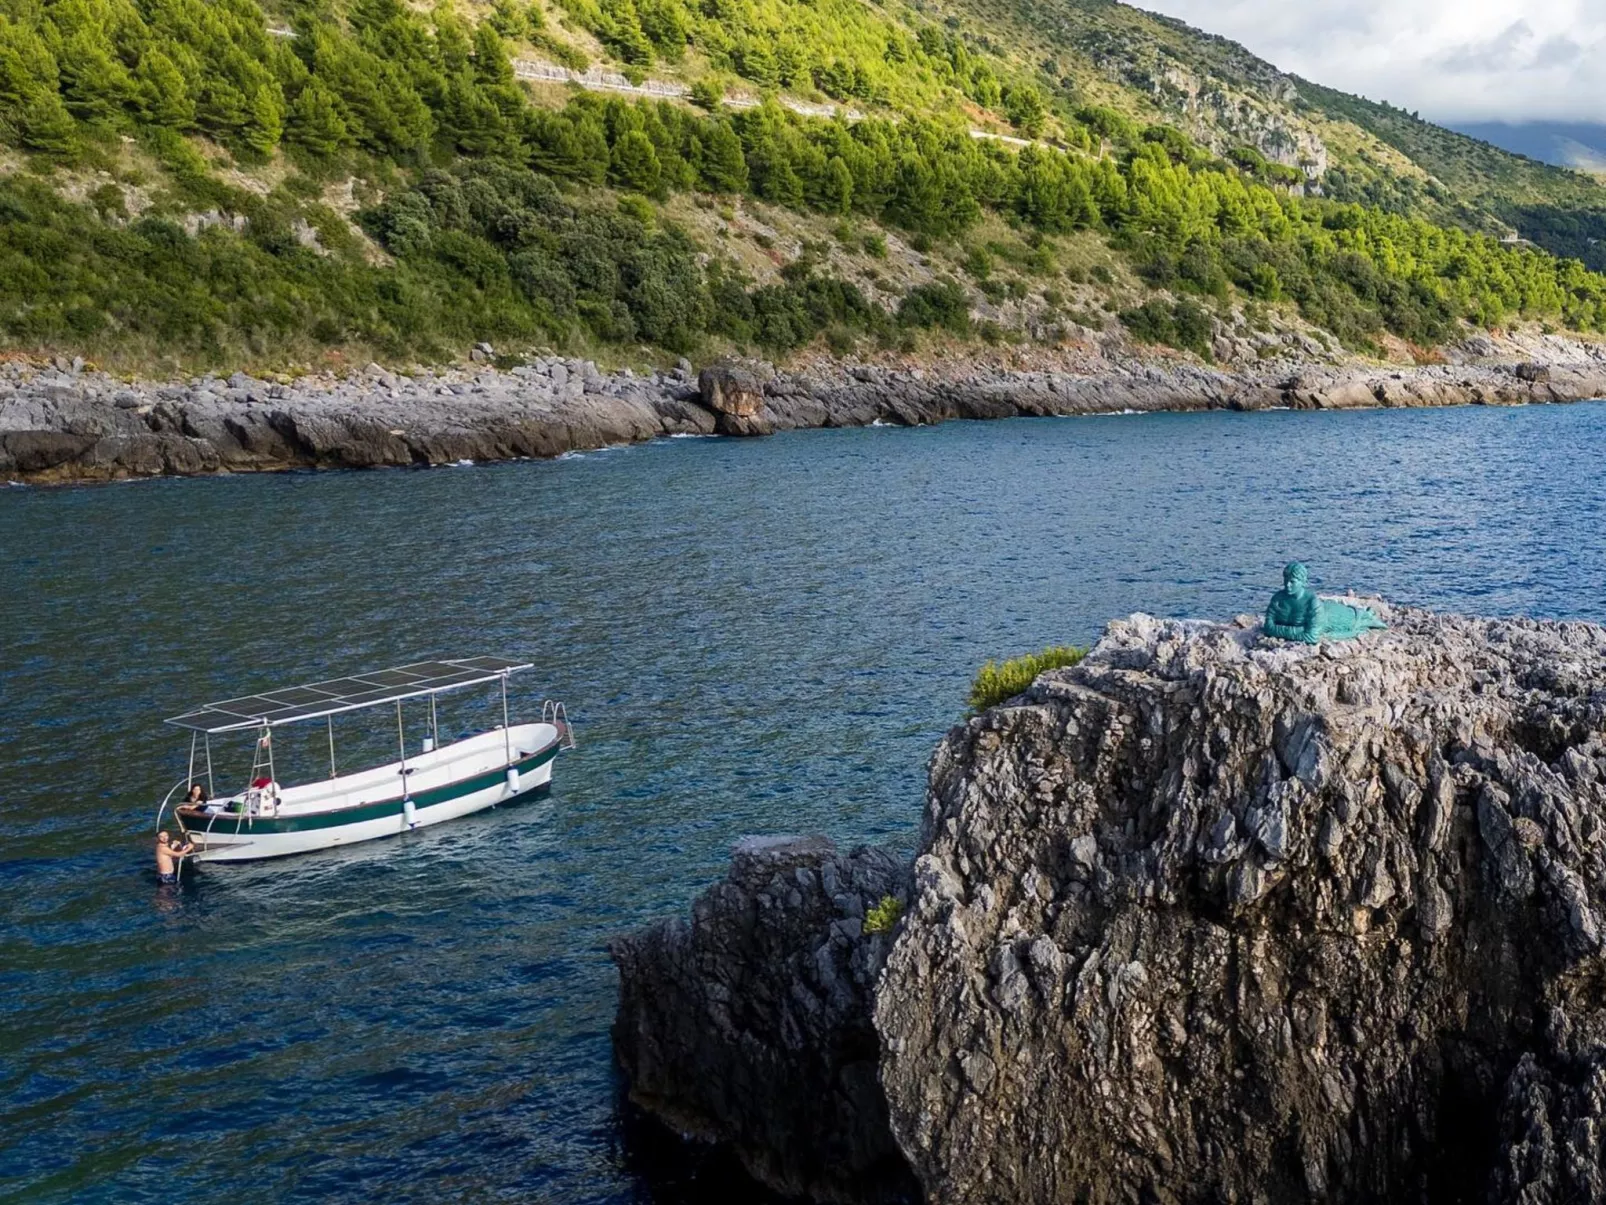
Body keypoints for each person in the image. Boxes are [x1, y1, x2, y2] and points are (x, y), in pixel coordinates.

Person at [1264, 561, 1386, 644]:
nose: (1287, 585)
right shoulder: (1278, 599)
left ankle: (1366, 614)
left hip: (1335, 616)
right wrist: (1298, 630)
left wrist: (1279, 630)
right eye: (1285, 580)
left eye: (1292, 581)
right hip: (1322, 613)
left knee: (1358, 617)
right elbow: (1267, 628)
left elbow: (1311, 637)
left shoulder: (1312, 602)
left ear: (1303, 582)